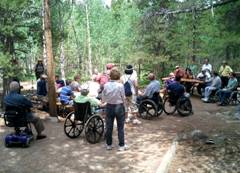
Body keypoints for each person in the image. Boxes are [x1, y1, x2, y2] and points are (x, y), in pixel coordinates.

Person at [102, 68, 127, 151]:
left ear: (110, 76)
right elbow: (123, 98)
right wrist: (126, 109)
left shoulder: (106, 85)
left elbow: (103, 98)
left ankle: (109, 145)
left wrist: (105, 101)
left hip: (109, 107)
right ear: (118, 76)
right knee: (120, 127)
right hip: (119, 107)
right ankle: (121, 145)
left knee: (109, 127)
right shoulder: (120, 85)